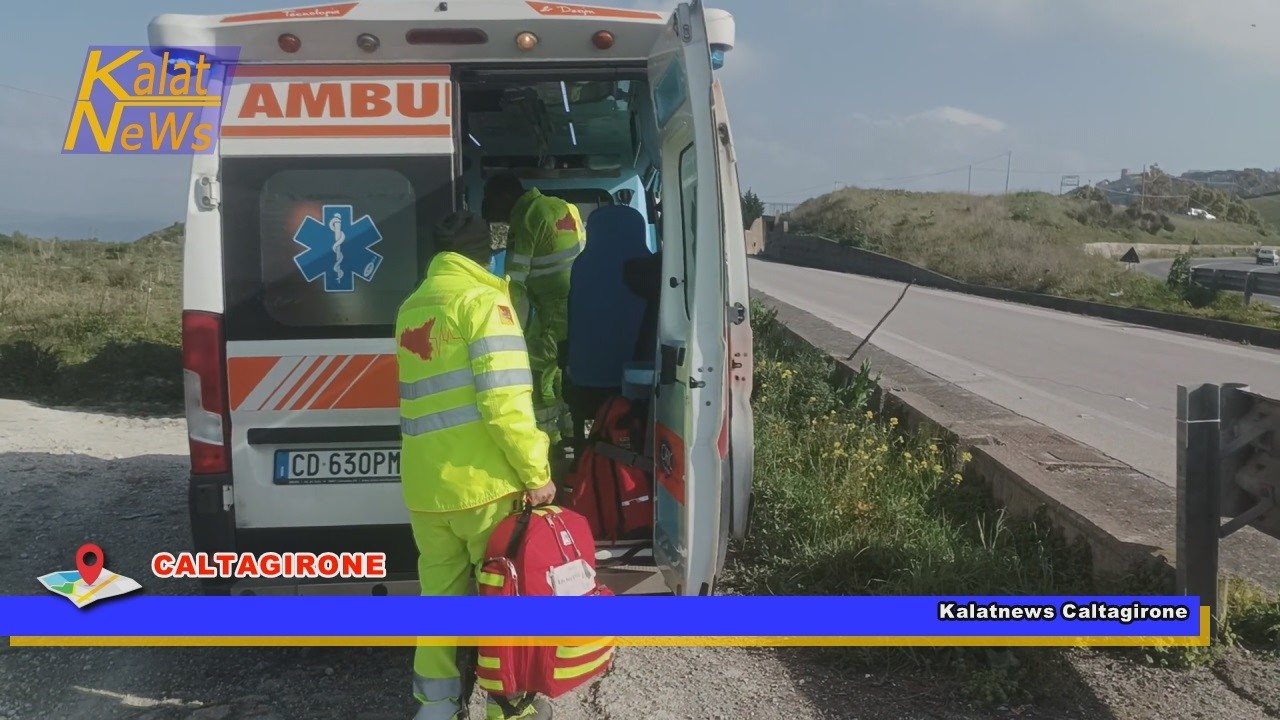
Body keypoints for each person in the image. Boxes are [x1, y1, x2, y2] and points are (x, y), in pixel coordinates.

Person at [395, 210, 557, 720]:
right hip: (484, 488)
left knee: (439, 599)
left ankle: (436, 705)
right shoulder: (486, 302)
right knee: (502, 598)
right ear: (484, 255)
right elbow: (503, 403)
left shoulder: (411, 306)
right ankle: (510, 708)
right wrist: (537, 474)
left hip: (426, 489)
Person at [481, 171, 585, 448]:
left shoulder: (524, 217)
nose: (492, 211)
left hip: (554, 311)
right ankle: (573, 435)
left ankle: (548, 443)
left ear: (506, 197)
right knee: (562, 372)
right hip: (582, 305)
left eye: (491, 203)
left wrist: (512, 332)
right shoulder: (565, 207)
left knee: (536, 374)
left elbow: (515, 285)